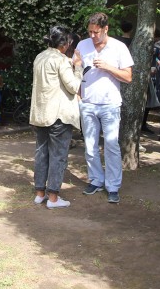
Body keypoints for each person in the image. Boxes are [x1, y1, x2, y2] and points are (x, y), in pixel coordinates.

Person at [77, 12, 134, 204]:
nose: (92, 36)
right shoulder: (82, 45)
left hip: (110, 104)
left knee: (111, 145)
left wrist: (108, 67)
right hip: (87, 103)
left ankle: (113, 186)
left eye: (96, 32)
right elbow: (75, 70)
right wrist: (78, 95)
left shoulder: (119, 47)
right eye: (90, 32)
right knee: (90, 146)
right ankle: (96, 180)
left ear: (106, 29)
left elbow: (128, 77)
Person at [30, 27, 83, 209]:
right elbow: (73, 86)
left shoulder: (40, 57)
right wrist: (78, 67)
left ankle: (40, 193)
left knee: (41, 153)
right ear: (65, 44)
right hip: (58, 115)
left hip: (41, 114)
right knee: (58, 156)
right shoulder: (60, 60)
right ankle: (53, 197)